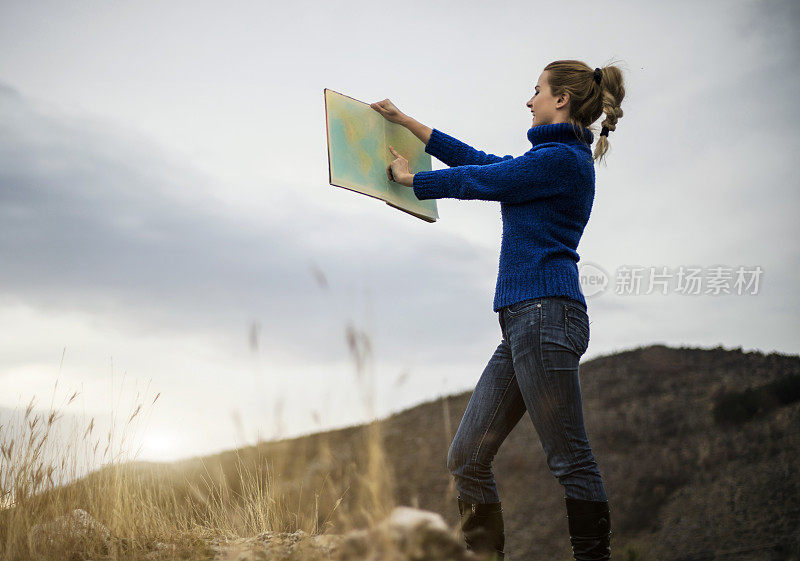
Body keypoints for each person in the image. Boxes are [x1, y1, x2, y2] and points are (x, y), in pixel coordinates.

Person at [371, 59, 626, 561]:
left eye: (536, 91)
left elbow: (482, 180)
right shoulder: (548, 161)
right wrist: (408, 123)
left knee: (570, 459)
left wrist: (412, 181)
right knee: (466, 457)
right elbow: (483, 162)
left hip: (547, 317)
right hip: (523, 325)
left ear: (561, 100)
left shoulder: (562, 162)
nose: (529, 100)